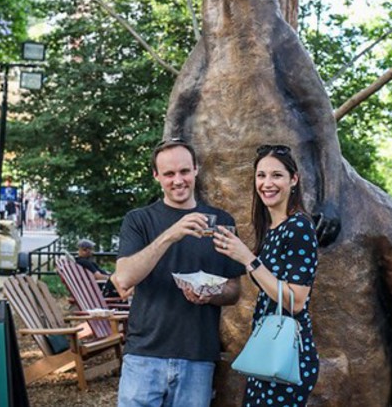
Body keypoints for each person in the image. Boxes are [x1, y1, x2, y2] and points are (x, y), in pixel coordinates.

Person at [113, 138, 246, 407]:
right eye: (169, 174)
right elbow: (124, 278)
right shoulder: (139, 220)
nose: (178, 180)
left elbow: (234, 290)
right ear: (156, 176)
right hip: (144, 356)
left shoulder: (221, 222)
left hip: (197, 357)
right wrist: (171, 234)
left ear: (196, 169)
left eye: (184, 171)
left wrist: (212, 294)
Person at [213, 144, 320, 406]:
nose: (267, 183)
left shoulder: (299, 227)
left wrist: (248, 259)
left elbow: (295, 301)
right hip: (266, 349)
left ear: (293, 180)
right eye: (261, 175)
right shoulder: (272, 228)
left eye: (277, 175)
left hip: (286, 355)